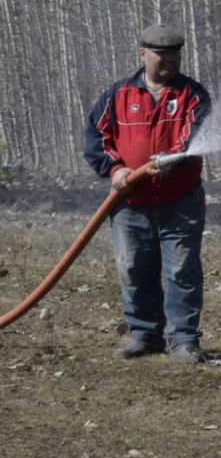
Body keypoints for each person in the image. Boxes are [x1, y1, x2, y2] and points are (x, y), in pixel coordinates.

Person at [83, 24, 213, 364]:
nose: (169, 60)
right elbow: (97, 139)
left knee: (182, 269)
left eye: (174, 54)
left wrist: (172, 159)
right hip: (130, 202)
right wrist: (116, 170)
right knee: (133, 267)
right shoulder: (117, 95)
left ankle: (184, 340)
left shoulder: (193, 95)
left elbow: (193, 134)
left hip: (180, 199)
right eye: (161, 54)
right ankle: (144, 335)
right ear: (143, 55)